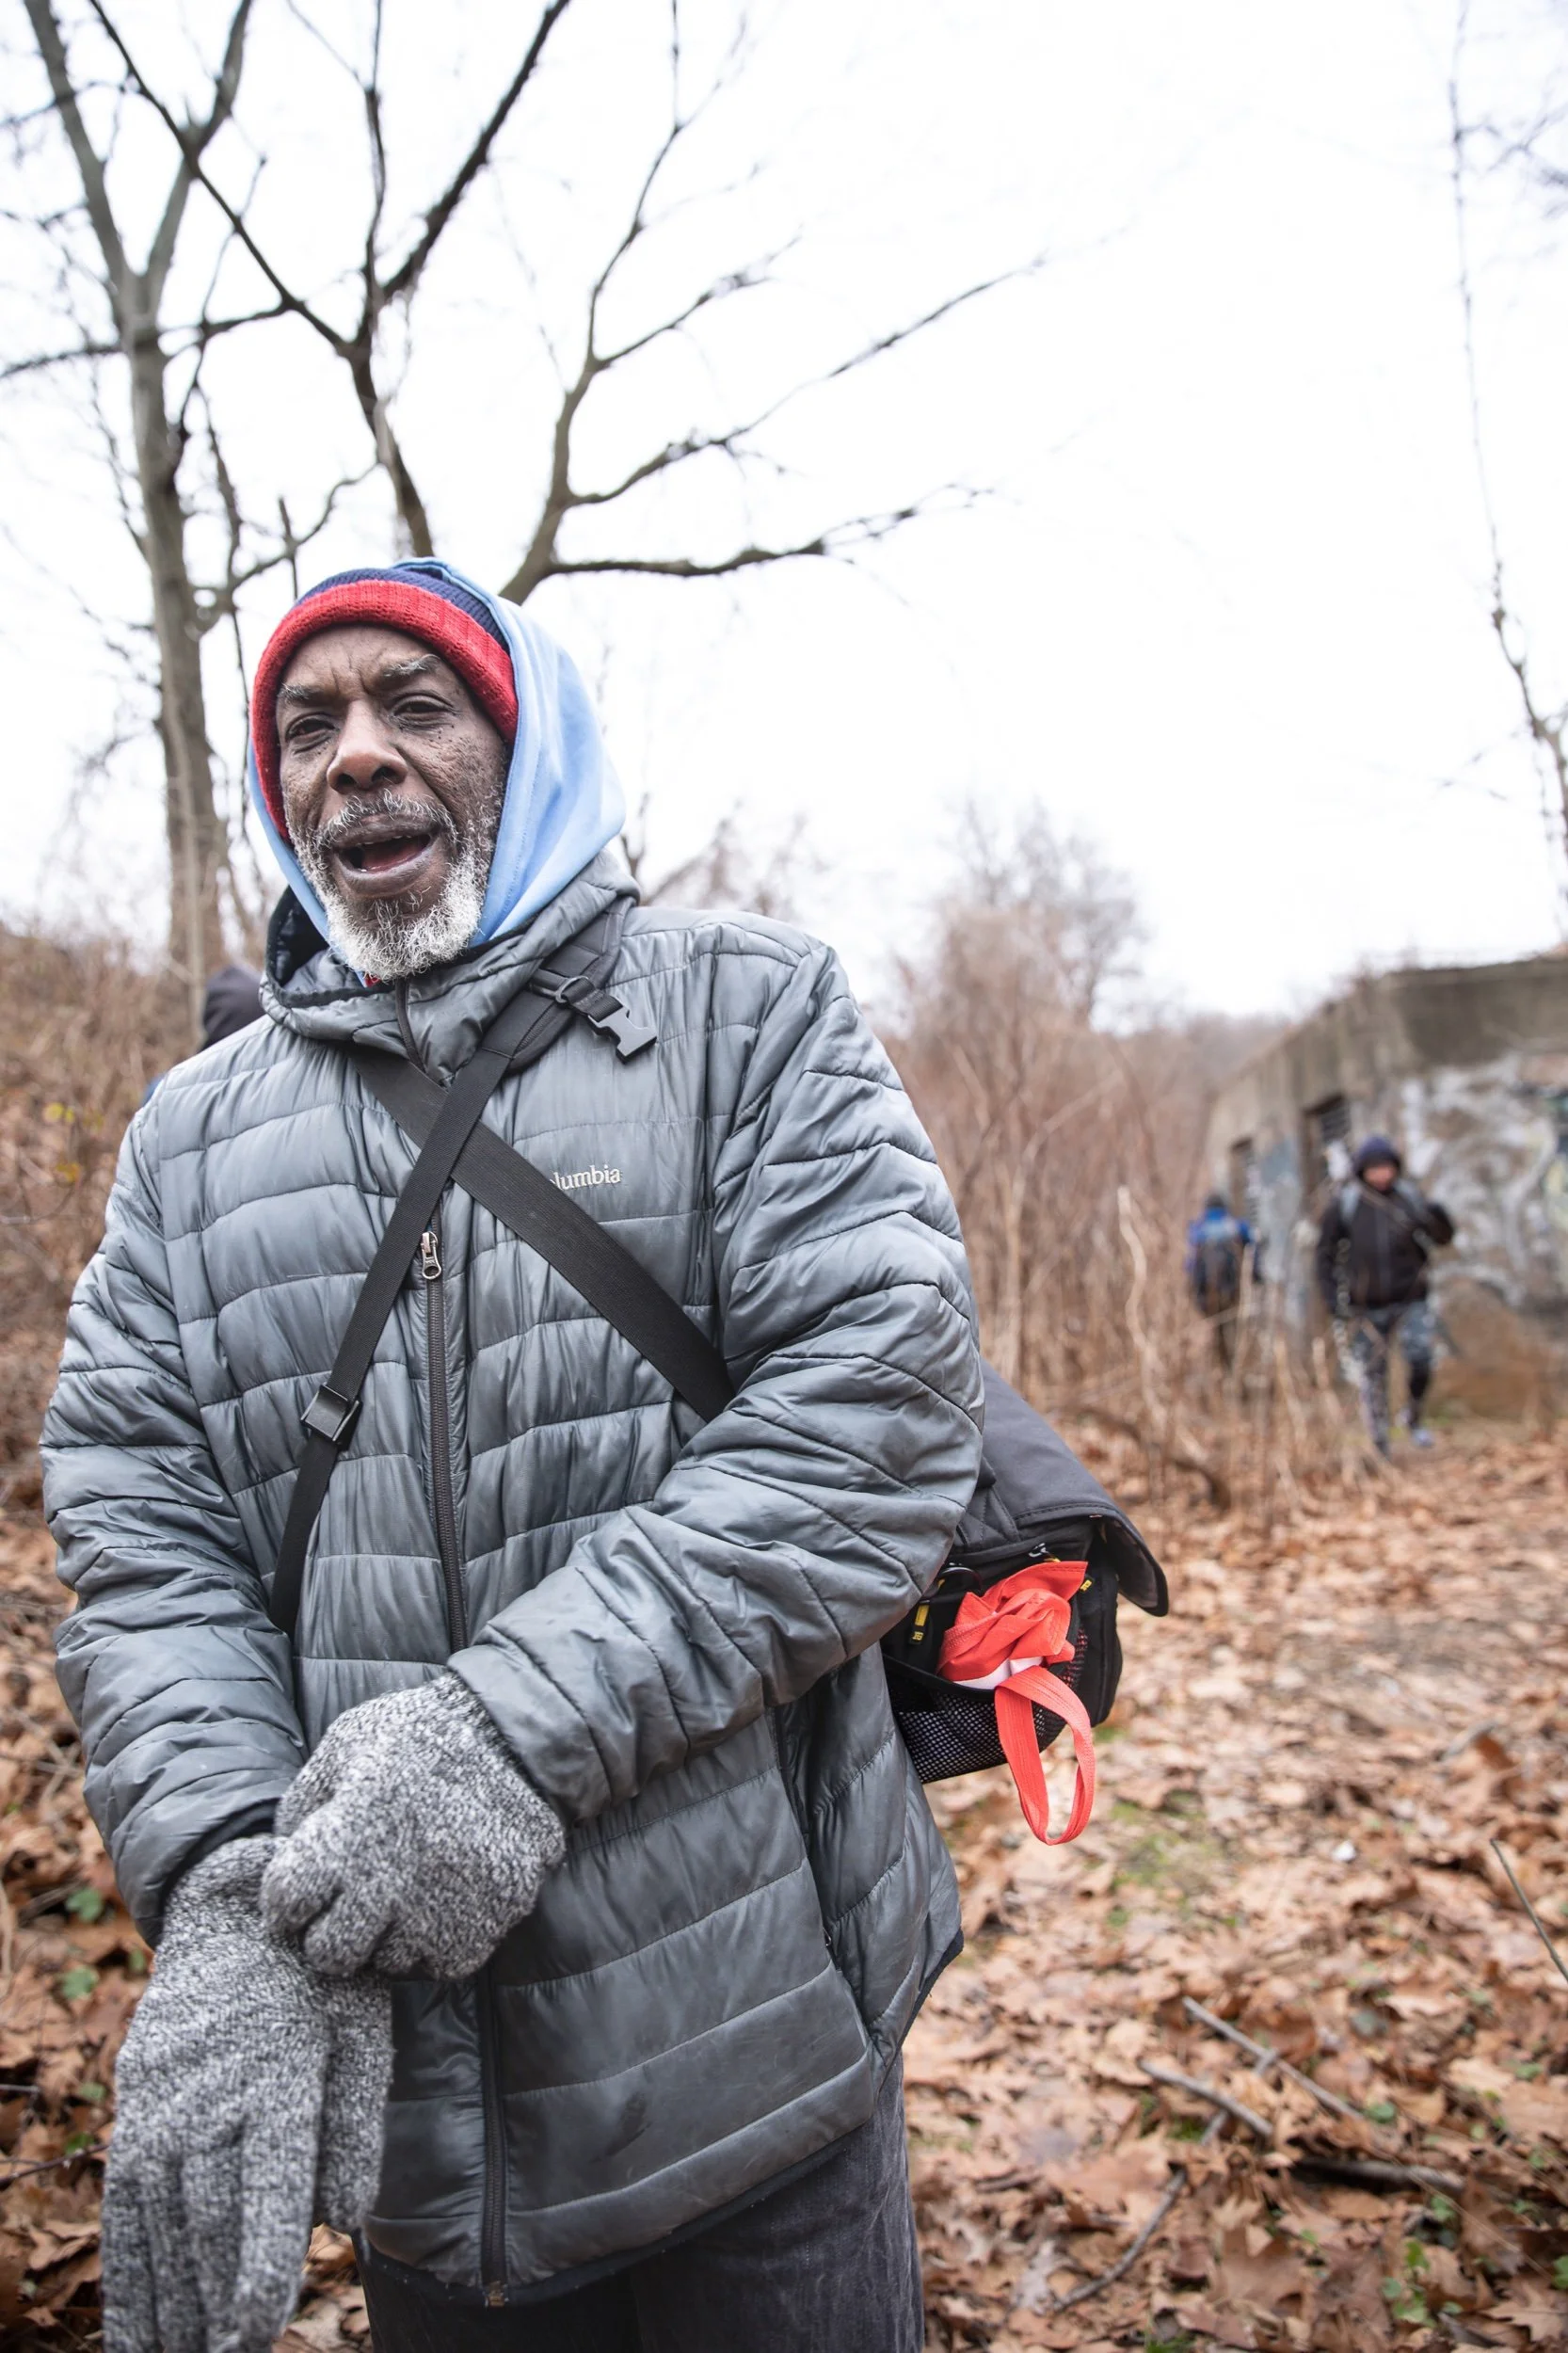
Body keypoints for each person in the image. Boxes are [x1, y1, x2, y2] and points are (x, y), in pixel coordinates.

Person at [42, 560, 984, 2353]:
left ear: (526, 740)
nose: (358, 760)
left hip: (759, 2052)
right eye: (308, 729)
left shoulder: (749, 1013)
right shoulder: (184, 1143)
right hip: (412, 2106)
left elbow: (876, 1411)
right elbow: (142, 1540)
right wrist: (232, 1884)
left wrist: (504, 1732)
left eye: (419, 707)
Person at [1314, 1133, 1455, 1456]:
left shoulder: (1408, 1198)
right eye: (1374, 1168)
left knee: (1421, 1361)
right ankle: (1379, 1441)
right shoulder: (1346, 1205)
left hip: (1412, 1299)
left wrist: (1438, 1215)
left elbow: (1442, 1237)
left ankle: (1413, 1418)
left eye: (1387, 1167)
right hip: (1367, 1306)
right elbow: (1324, 1255)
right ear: (1362, 1170)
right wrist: (1333, 1299)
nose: (1381, 1175)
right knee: (1373, 1375)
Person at [1185, 1192, 1255, 1368]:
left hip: (1207, 1296)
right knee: (1237, 1329)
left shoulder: (1198, 1229)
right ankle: (1238, 1366)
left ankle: (1223, 1367)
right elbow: (1253, 1251)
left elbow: (1190, 1265)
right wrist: (1256, 1277)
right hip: (1234, 1292)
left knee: (1217, 1332)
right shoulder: (1236, 1226)